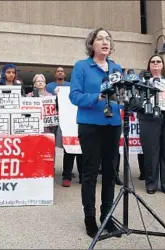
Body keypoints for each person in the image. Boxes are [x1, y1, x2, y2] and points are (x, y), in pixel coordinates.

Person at [69, 27, 123, 238]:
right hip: (90, 125)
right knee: (90, 173)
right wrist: (97, 97)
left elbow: (121, 94)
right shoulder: (82, 67)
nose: (104, 41)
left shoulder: (116, 68)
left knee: (110, 173)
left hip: (113, 125)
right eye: (100, 38)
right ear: (91, 44)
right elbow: (74, 96)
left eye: (108, 38)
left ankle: (107, 218)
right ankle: (90, 219)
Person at [138, 55, 165, 195]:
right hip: (148, 118)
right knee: (150, 152)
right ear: (149, 65)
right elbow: (135, 100)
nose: (156, 64)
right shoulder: (141, 80)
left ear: (163, 65)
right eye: (153, 61)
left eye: (158, 61)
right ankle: (151, 183)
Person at [47, 67, 82, 187]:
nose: (60, 72)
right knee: (69, 149)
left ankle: (82, 175)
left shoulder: (72, 86)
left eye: (62, 71)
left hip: (78, 120)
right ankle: (66, 176)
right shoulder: (50, 87)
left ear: (65, 74)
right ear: (55, 74)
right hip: (65, 121)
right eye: (58, 71)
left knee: (81, 149)